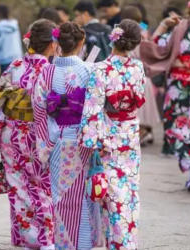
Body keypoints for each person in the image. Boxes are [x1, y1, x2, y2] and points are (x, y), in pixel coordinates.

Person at [0, 19, 57, 250]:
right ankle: (47, 241)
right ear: (52, 44)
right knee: (43, 186)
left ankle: (28, 240)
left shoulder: (14, 66)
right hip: (39, 135)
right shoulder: (51, 71)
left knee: (18, 188)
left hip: (10, 135)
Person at [33, 21, 103, 250]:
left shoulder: (46, 71)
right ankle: (82, 244)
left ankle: (59, 244)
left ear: (57, 43)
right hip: (82, 140)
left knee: (57, 194)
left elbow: (39, 108)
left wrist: (48, 140)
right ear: (81, 43)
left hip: (55, 140)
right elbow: (95, 108)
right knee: (81, 196)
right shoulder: (88, 70)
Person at [81, 19, 145, 250]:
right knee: (129, 191)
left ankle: (119, 244)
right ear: (135, 43)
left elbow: (93, 108)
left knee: (113, 194)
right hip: (130, 133)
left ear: (113, 38)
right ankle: (126, 242)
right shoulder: (138, 67)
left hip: (108, 136)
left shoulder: (100, 68)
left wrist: (90, 141)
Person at [141, 0, 190, 192]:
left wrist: (162, 27)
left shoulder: (181, 28)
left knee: (173, 125)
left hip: (180, 83)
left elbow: (158, 46)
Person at [121, 5, 161, 147]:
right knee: (143, 111)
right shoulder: (143, 29)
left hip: (131, 75)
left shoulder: (125, 33)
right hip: (144, 75)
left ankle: (139, 136)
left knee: (135, 111)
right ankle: (145, 133)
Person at [153, 5, 183, 157]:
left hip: (173, 80)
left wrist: (164, 25)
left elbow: (154, 43)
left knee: (171, 113)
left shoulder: (167, 37)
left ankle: (169, 145)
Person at [0, 4, 23, 73]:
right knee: (16, 83)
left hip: (5, 60)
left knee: (6, 83)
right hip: (18, 58)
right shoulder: (15, 25)